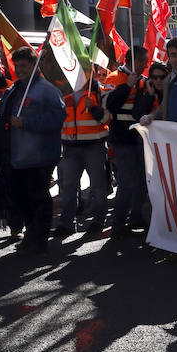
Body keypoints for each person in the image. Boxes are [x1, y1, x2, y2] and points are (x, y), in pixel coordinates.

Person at [0, 47, 65, 252]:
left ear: (34, 66)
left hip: (38, 157)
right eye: (17, 66)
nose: (19, 69)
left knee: (38, 197)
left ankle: (40, 237)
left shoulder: (47, 90)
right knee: (19, 197)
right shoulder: (14, 89)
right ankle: (30, 230)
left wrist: (26, 122)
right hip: (15, 156)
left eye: (23, 65)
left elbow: (57, 118)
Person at [105, 48, 158, 236]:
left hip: (140, 138)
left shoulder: (143, 81)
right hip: (122, 138)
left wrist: (150, 94)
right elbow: (109, 105)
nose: (146, 64)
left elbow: (141, 111)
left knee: (142, 182)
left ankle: (136, 217)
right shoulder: (113, 77)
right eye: (144, 61)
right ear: (134, 60)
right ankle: (118, 225)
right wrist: (126, 86)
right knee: (126, 184)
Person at [55, 74, 111, 237]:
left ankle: (98, 221)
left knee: (98, 187)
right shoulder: (65, 93)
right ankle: (67, 223)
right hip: (70, 148)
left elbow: (108, 119)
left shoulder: (99, 91)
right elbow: (62, 122)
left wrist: (94, 108)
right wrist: (63, 144)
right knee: (68, 187)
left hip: (94, 147)